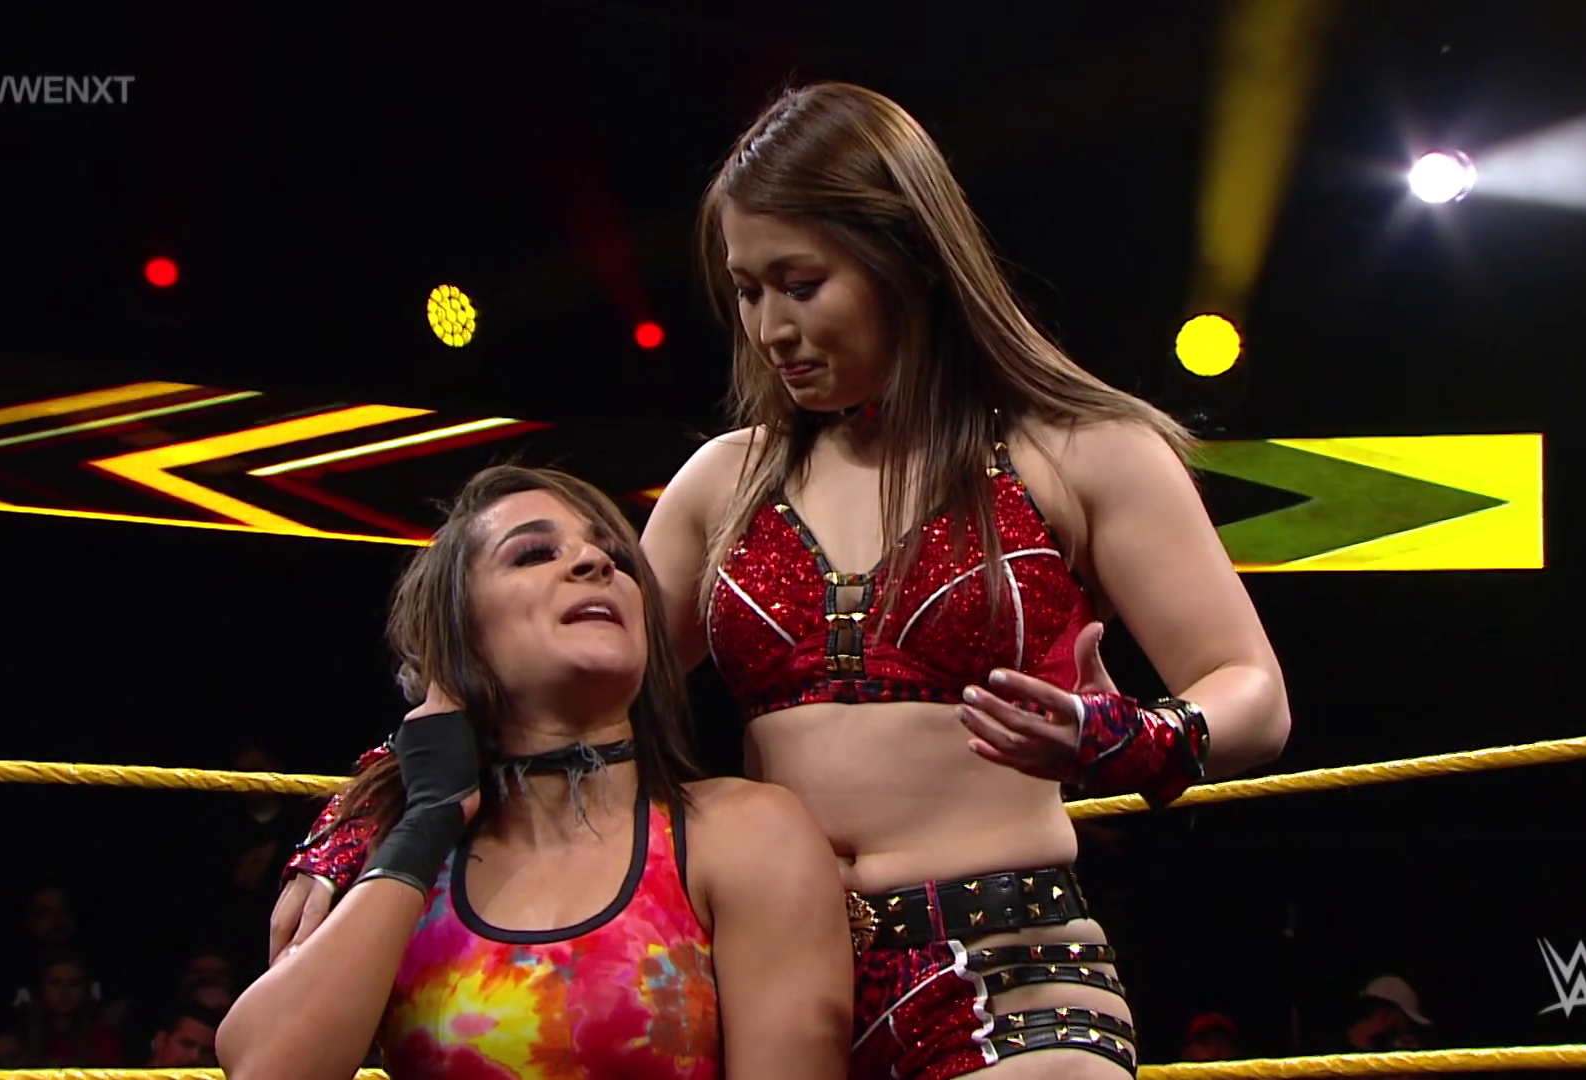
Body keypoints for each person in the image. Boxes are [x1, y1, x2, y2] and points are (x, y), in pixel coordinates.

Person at [275, 82, 1290, 1078]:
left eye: (800, 285)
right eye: (747, 291)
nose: (770, 329)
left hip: (1007, 973)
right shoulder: (725, 482)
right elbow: (521, 675)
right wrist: (354, 828)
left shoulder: (1080, 451)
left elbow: (1252, 690)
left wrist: (1131, 735)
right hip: (766, 982)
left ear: (909, 259)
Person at [221, 466, 851, 1080]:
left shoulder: (743, 834)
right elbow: (266, 1068)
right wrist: (429, 818)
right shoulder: (403, 858)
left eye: (615, 557)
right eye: (533, 554)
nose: (595, 562)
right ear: (459, 633)